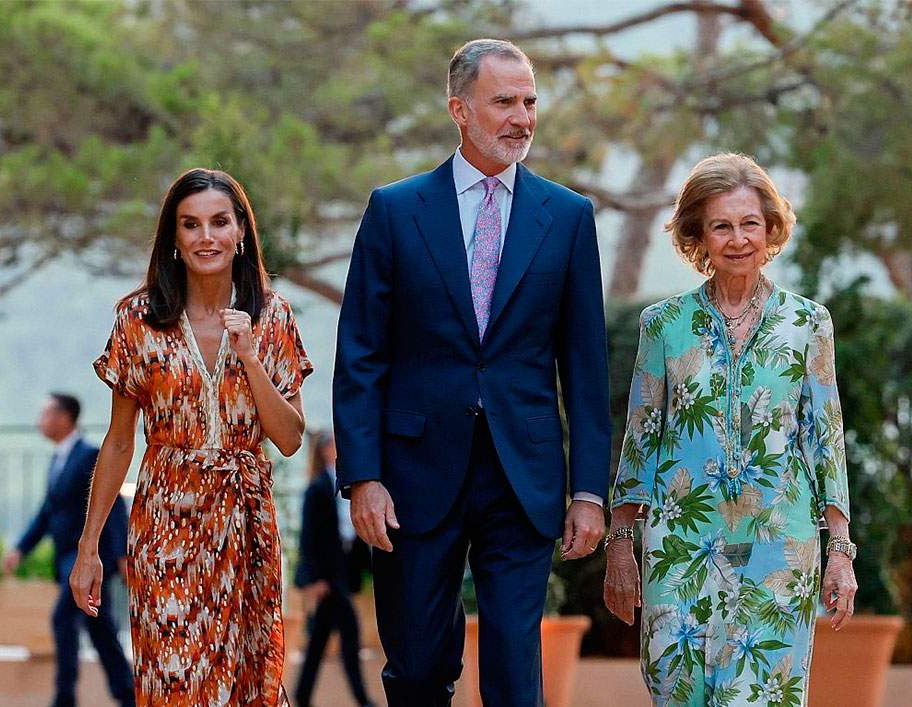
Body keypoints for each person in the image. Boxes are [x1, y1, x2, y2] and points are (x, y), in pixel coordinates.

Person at [333, 38, 611, 705]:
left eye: (530, 101)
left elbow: (585, 365)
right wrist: (363, 476)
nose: (523, 117)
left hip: (524, 474)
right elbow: (361, 353)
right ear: (460, 109)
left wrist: (589, 491)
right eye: (505, 101)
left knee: (517, 667)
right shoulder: (396, 211)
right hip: (412, 474)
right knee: (420, 666)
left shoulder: (568, 217)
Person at [604, 153, 858, 705]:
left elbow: (826, 438)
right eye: (722, 225)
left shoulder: (807, 323)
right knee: (676, 690)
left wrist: (840, 549)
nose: (738, 238)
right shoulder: (664, 325)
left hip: (778, 549)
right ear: (699, 234)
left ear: (771, 228)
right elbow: (641, 438)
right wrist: (621, 546)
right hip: (679, 546)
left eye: (750, 223)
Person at [69, 168, 313, 705]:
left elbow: (291, 438)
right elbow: (117, 443)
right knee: (172, 675)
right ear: (174, 238)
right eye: (191, 225)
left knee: (245, 683)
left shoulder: (272, 318)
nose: (207, 237)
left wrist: (250, 356)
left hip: (245, 525)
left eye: (220, 222)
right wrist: (89, 548)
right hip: (164, 527)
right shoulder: (138, 319)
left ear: (241, 232)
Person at [2, 393, 135, 707]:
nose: (39, 421)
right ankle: (128, 695)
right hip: (65, 558)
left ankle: (65, 698)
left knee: (64, 620)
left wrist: (121, 555)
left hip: (88, 560)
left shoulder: (88, 455)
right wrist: (21, 548)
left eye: (45, 413)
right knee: (101, 630)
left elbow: (113, 507)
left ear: (64, 418)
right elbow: (49, 512)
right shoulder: (58, 458)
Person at [293, 431, 374, 707]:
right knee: (350, 634)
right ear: (327, 451)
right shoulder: (316, 488)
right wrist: (312, 578)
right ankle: (363, 699)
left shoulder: (345, 484)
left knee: (318, 641)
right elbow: (308, 537)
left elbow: (350, 534)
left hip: (342, 572)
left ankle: (302, 696)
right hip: (327, 577)